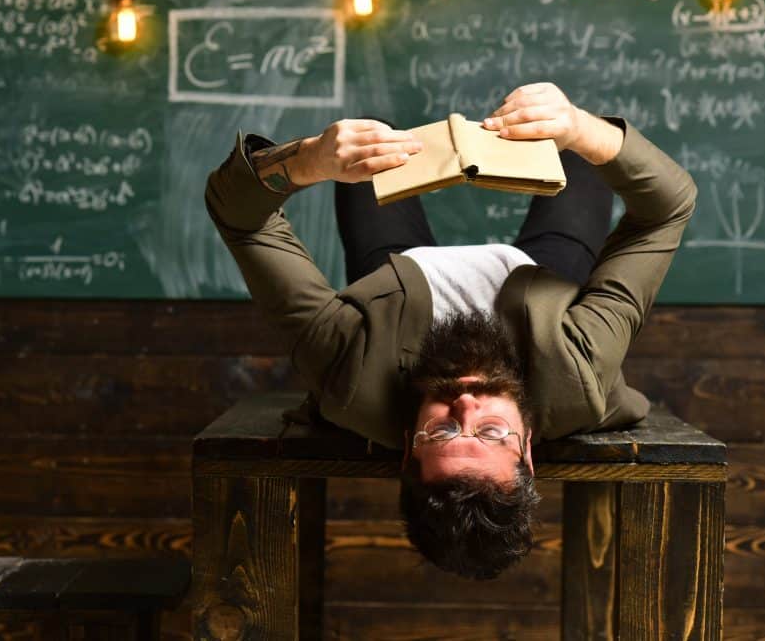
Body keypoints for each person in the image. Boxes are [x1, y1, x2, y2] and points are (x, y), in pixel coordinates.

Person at [204, 82, 697, 580]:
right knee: (580, 157)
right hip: (537, 277)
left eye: (441, 430)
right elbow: (667, 209)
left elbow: (240, 219)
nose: (465, 405)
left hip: (400, 276)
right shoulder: (579, 367)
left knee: (369, 140)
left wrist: (305, 161)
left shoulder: (347, 368)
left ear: (406, 449)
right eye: (490, 432)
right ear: (527, 445)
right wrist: (581, 128)